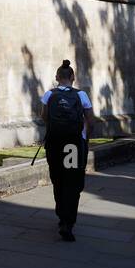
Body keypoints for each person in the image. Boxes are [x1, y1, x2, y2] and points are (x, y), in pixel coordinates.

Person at [39, 59, 94, 241]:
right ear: (72, 77)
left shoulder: (49, 95)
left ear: (57, 77)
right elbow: (90, 120)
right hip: (73, 145)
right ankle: (68, 222)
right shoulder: (81, 95)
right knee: (72, 181)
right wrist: (85, 139)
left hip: (55, 143)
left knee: (58, 179)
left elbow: (45, 117)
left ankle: (61, 214)